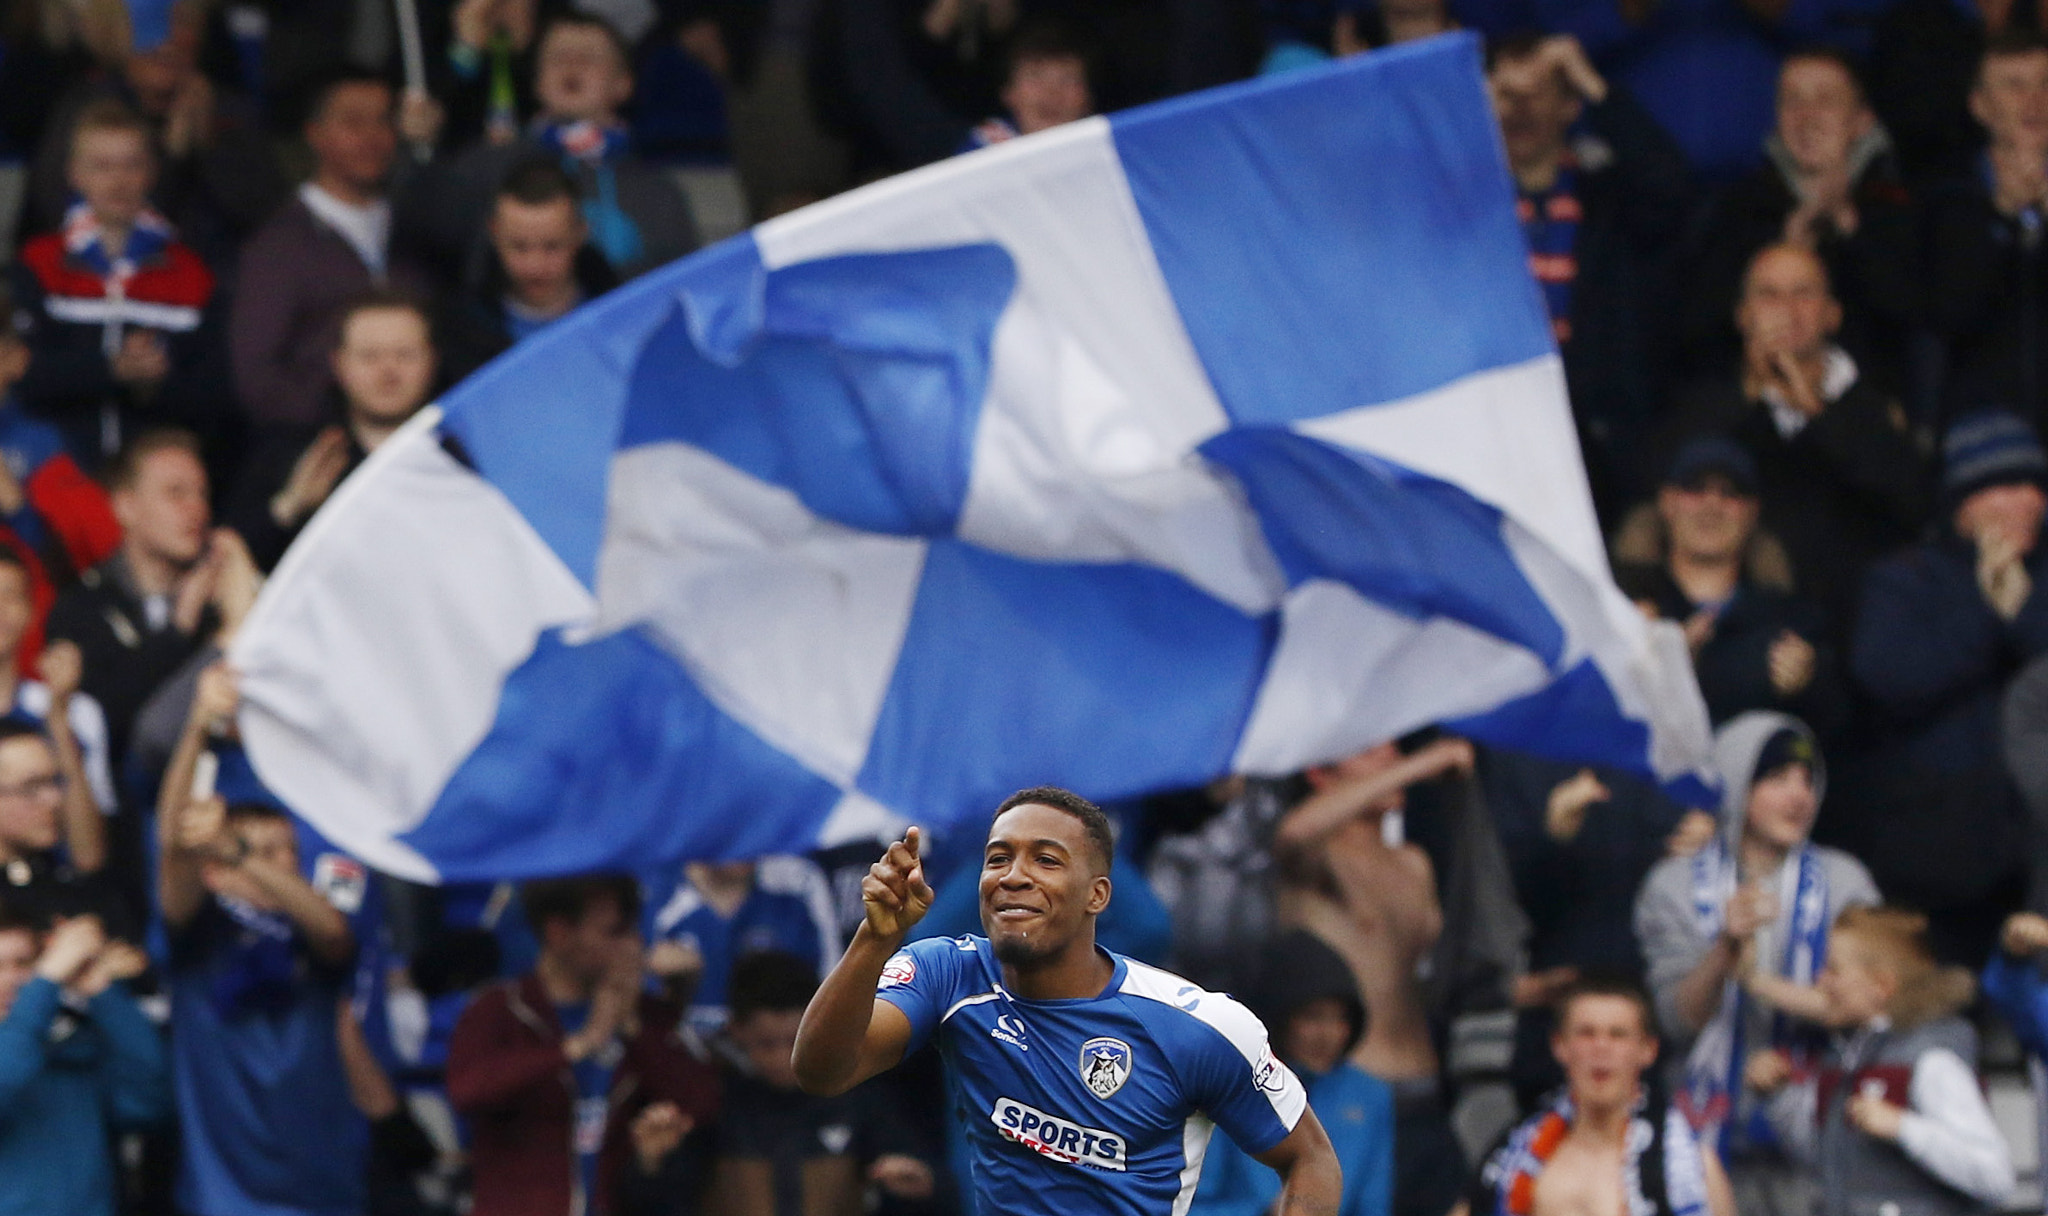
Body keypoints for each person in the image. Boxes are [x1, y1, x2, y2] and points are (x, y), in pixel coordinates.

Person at [790, 787, 1342, 1216]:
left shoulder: (1197, 1026)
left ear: (1097, 895)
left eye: (1046, 860)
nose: (1014, 876)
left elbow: (1311, 1159)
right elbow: (821, 1071)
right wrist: (875, 938)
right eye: (998, 858)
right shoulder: (949, 974)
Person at [1634, 712, 1879, 1216]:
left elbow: (1867, 1005)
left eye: (1808, 781)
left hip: (1818, 1132)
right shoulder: (1673, 887)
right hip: (1705, 1139)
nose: (1799, 796)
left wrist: (1758, 983)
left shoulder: (1844, 881)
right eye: (1777, 778)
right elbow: (1676, 1022)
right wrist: (1726, 947)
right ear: (1737, 781)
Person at [1852, 411, 2048, 961]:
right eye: (2010, 486)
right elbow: (1890, 680)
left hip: (2037, 859)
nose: (2031, 500)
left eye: (2036, 486)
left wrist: (2025, 610)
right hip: (1940, 858)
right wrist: (1988, 613)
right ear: (1966, 500)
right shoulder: (1906, 579)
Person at [1661, 243, 1927, 638]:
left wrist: (1815, 411)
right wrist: (1749, 396)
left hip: (1854, 631)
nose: (1787, 308)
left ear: (1833, 314)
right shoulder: (1707, 404)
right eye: (1769, 295)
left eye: (1804, 293)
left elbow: (1913, 502)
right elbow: (1664, 487)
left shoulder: (1875, 405)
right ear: (1743, 316)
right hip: (1738, 634)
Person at [1485, 33, 1691, 519]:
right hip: (1494, 426)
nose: (1519, 111)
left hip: (1595, 439)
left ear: (1570, 107)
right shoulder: (1459, 202)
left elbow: (1672, 190)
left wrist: (1591, 82)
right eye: (1506, 96)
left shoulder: (1609, 198)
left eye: (1536, 95)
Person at [448, 873, 721, 1216]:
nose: (633, 945)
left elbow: (701, 1103)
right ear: (559, 933)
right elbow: (467, 1090)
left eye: (633, 931)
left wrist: (633, 1027)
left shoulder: (647, 1017)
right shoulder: (500, 1009)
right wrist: (576, 1047)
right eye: (615, 932)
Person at [158, 787, 368, 1216]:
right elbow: (174, 867)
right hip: (223, 1189)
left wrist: (241, 852)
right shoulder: (197, 936)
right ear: (215, 873)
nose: (287, 864)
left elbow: (332, 933)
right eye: (268, 852)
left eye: (292, 851)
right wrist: (198, 727)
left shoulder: (312, 934)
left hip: (322, 1180)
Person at [1748, 906, 2014, 1215]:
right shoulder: (1843, 1059)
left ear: (1881, 986)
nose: (1820, 980)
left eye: (1834, 970)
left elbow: (1996, 1177)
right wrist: (1780, 1097)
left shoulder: (1929, 1062)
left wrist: (1904, 1127)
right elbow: (1825, 1161)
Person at [1681, 49, 1918, 391]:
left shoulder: (1894, 202)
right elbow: (1697, 331)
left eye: (1825, 101)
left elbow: (1913, 322)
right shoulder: (1739, 207)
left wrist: (1848, 225)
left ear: (1862, 119)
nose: (1807, 117)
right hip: (1752, 405)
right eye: (1792, 102)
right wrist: (1784, 251)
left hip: (1866, 409)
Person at [12, 99, 227, 467]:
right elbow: (22, 376)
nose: (118, 180)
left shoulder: (191, 273)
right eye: (101, 166)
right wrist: (111, 369)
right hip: (58, 474)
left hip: (152, 479)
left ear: (152, 172)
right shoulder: (39, 263)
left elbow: (216, 395)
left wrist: (155, 384)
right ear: (74, 174)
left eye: (132, 165)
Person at [410, 15, 698, 284]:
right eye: (558, 57)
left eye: (589, 58)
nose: (572, 66)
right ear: (537, 82)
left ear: (623, 84)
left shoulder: (659, 192)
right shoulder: (485, 164)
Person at [647, 949, 935, 1216]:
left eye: (795, 1042)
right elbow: (663, 1201)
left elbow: (930, 1189)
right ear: (736, 1031)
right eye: (767, 1044)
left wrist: (918, 1187)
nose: (784, 1058)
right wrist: (650, 1167)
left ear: (820, 1028)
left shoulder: (861, 1100)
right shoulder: (710, 1105)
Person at [229, 69, 435, 432]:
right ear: (315, 134)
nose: (371, 137)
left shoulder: (418, 225)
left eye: (383, 121)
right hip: (321, 451)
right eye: (353, 122)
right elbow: (257, 379)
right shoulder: (279, 247)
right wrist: (340, 426)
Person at [1610, 438, 1845, 734]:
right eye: (1695, 489)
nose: (1712, 505)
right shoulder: (1620, 604)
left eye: (1730, 493)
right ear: (1667, 501)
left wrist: (1807, 680)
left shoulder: (1793, 619)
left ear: (1752, 512)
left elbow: (1839, 726)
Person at [45, 429, 236, 769]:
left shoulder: (224, 598)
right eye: (176, 493)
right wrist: (179, 628)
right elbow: (109, 725)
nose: (197, 509)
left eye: (201, 494)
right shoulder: (82, 608)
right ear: (126, 507)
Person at [1466, 976, 1736, 1216]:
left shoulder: (1694, 1168)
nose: (1601, 1047)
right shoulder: (1509, 1158)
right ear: (1560, 1045)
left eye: (1617, 1035)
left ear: (1648, 1050)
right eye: (1586, 1033)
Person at [227, 291, 438, 571]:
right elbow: (232, 562)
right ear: (339, 364)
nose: (388, 370)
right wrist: (288, 508)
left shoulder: (464, 458)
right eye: (369, 356)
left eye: (405, 355)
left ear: (432, 361)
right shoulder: (291, 457)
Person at [1193, 930, 1395, 1216]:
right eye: (1314, 1017)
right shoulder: (1228, 1086)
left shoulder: (1371, 1096)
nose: (1330, 1034)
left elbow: (1374, 1207)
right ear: (1279, 1017)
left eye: (1341, 1018)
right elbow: (1191, 1206)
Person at [0, 910, 167, 1216]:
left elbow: (145, 1102)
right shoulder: (25, 1041)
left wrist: (101, 991)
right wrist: (45, 982)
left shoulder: (71, 1046)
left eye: (23, 964)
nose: (13, 977)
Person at [1925, 34, 2048, 434]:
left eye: (2046, 84)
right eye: (2014, 85)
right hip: (1984, 436)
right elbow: (1953, 313)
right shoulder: (1949, 203)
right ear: (1979, 106)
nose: (2035, 100)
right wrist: (2004, 217)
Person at [0, 281, 124, 662]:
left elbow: (91, 566)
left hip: (24, 656)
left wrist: (19, 511)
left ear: (16, 359)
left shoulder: (43, 447)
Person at [441, 158, 618, 383]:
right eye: (519, 246)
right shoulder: (463, 331)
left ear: (581, 233)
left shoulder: (622, 315)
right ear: (494, 233)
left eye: (552, 246)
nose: (535, 267)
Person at [648, 852, 838, 1037]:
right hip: (681, 1052)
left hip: (782, 1055)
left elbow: (833, 991)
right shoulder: (652, 887)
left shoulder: (797, 880)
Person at [0, 714, 115, 929]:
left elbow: (90, 859)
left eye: (54, 782)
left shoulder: (56, 877)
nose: (54, 800)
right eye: (32, 786)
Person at [964, 22, 1097, 149]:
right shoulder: (985, 147)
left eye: (1067, 80)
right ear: (1008, 93)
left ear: (1087, 97)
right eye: (1035, 77)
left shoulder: (1105, 145)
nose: (1052, 93)